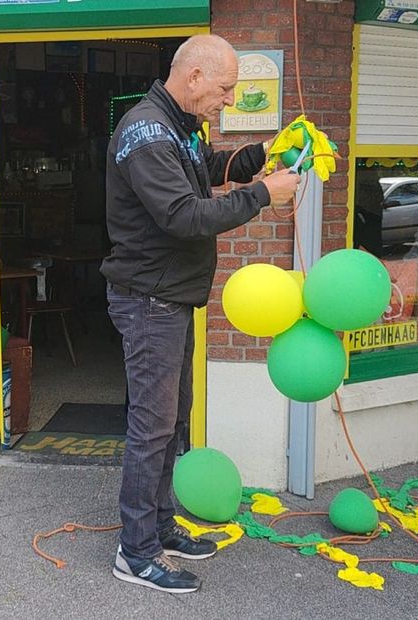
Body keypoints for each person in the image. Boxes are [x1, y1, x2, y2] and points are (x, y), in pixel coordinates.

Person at [101, 34, 301, 594]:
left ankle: (160, 529)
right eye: (224, 88)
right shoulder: (144, 132)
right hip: (149, 302)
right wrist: (265, 195)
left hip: (170, 299)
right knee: (151, 428)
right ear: (193, 77)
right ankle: (135, 553)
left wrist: (266, 154)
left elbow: (206, 166)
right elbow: (184, 215)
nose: (228, 100)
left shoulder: (177, 126)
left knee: (172, 422)